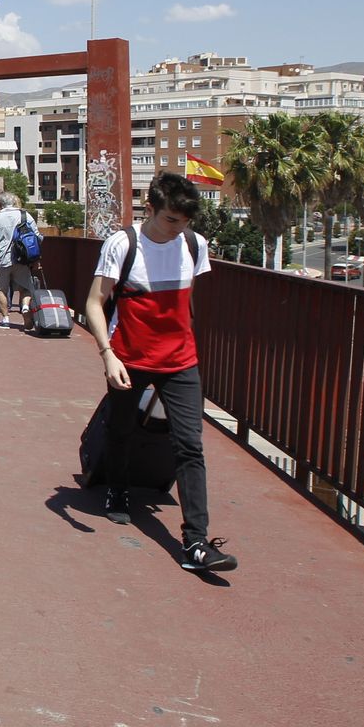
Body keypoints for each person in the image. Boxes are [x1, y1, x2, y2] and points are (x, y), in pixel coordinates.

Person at [84, 172, 237, 573]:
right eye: (171, 220)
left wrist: (188, 347)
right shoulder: (123, 245)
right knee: (121, 429)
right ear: (149, 209)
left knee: (190, 445)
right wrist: (107, 355)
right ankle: (117, 489)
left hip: (181, 361)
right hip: (130, 358)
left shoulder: (193, 244)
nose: (178, 228)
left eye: (184, 221)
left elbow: (187, 303)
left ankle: (196, 543)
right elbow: (95, 303)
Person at [0, 192, 39, 328]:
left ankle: (5, 319)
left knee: (2, 289)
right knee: (25, 288)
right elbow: (38, 237)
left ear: (0, 204)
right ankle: (25, 307)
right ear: (14, 202)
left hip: (2, 259)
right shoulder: (25, 216)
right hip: (22, 259)